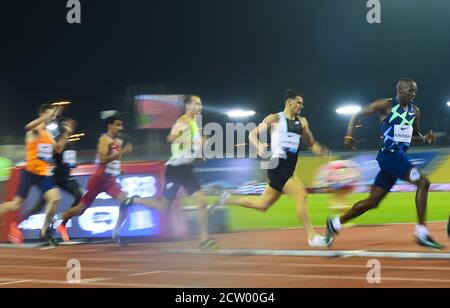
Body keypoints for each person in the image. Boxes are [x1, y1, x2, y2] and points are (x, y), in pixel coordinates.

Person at [325, 78, 444, 249]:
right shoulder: (385, 105)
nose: (413, 94)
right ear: (400, 90)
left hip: (397, 158)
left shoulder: (415, 111)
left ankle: (335, 223)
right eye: (410, 90)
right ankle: (421, 232)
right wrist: (349, 135)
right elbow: (356, 114)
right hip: (388, 155)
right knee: (423, 183)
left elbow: (414, 135)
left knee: (373, 202)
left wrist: (425, 138)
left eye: (415, 91)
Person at [216, 90, 332, 247]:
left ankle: (227, 199)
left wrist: (322, 152)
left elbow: (311, 143)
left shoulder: (303, 122)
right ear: (289, 102)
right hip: (277, 165)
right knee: (301, 194)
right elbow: (252, 134)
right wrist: (258, 145)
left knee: (262, 206)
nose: (301, 106)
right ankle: (312, 237)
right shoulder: (275, 118)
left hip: (289, 168)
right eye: (298, 102)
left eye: (302, 103)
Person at [0, 104, 73, 243]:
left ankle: (44, 231)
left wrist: (66, 133)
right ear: (43, 114)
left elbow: (58, 149)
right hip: (29, 172)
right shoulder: (34, 130)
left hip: (42, 174)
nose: (53, 116)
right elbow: (28, 127)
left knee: (55, 199)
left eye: (53, 114)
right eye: (50, 113)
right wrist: (46, 116)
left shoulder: (47, 134)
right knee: (16, 205)